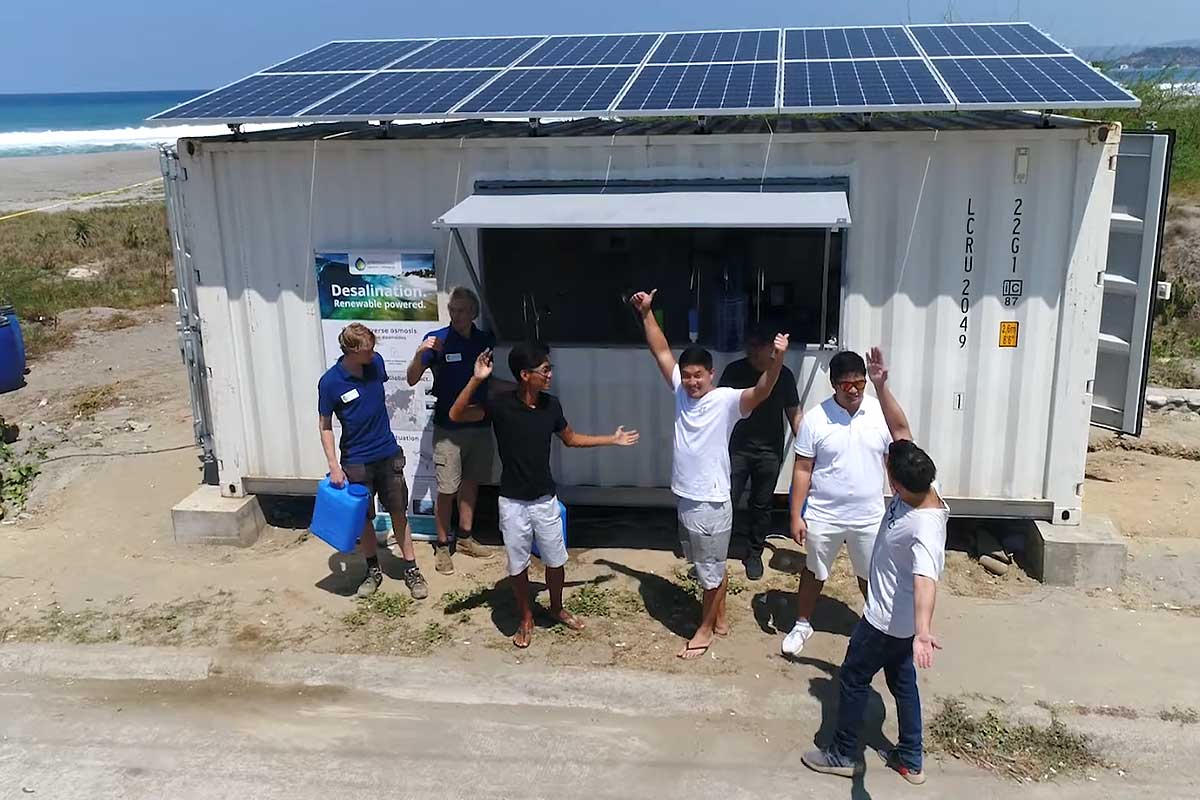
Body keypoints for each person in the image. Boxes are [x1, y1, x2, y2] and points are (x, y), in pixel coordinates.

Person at [630, 289, 789, 659]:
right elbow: (660, 350)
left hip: (711, 501)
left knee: (709, 571)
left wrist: (776, 361)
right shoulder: (681, 394)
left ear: (711, 374)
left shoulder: (727, 400)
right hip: (686, 495)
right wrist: (648, 313)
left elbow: (764, 389)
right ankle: (719, 619)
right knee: (710, 564)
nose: (691, 382)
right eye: (686, 376)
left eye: (698, 376)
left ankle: (703, 631)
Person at [449, 341, 639, 649]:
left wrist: (612, 439)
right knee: (518, 564)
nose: (550, 374)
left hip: (545, 500)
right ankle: (526, 617)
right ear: (525, 375)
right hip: (511, 502)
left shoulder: (552, 405)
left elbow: (572, 439)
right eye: (545, 369)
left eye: (550, 369)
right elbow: (456, 414)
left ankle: (556, 607)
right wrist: (477, 378)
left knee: (555, 559)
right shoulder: (500, 405)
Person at [801, 433, 948, 786]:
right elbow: (899, 425)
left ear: (896, 484)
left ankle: (843, 753)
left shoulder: (925, 527)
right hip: (899, 628)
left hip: (882, 623)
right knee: (903, 684)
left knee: (853, 678)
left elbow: (926, 578)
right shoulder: (924, 483)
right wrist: (881, 386)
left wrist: (924, 630)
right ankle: (911, 759)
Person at [781, 348, 898, 656]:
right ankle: (802, 623)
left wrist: (901, 503)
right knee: (814, 570)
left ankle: (878, 626)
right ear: (833, 384)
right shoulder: (815, 419)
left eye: (860, 383)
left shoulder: (878, 414)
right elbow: (803, 469)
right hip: (823, 514)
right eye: (847, 384)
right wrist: (796, 515)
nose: (854, 390)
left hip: (869, 515)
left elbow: (892, 461)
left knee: (870, 573)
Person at [318, 323, 428, 599]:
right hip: (356, 461)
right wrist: (334, 465)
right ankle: (372, 570)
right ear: (351, 351)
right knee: (364, 519)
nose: (373, 353)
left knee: (399, 513)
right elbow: (325, 425)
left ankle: (411, 569)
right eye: (367, 350)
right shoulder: (331, 382)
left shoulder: (376, 364)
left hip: (387, 454)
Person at [406, 286, 502, 575]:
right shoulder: (437, 342)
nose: (456, 315)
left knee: (471, 483)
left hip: (481, 427)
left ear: (473, 313)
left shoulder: (485, 341)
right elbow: (411, 379)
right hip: (449, 430)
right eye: (452, 310)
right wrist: (419, 353)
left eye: (461, 310)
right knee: (447, 489)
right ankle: (442, 544)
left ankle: (465, 537)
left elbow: (489, 382)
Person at [719, 322, 803, 581]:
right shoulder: (734, 371)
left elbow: (795, 415)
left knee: (761, 503)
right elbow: (717, 410)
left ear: (772, 348)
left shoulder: (785, 375)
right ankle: (718, 552)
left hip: (769, 451)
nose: (753, 351)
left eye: (760, 346)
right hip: (736, 449)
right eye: (750, 345)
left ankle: (753, 552)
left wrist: (811, 448)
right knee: (725, 501)